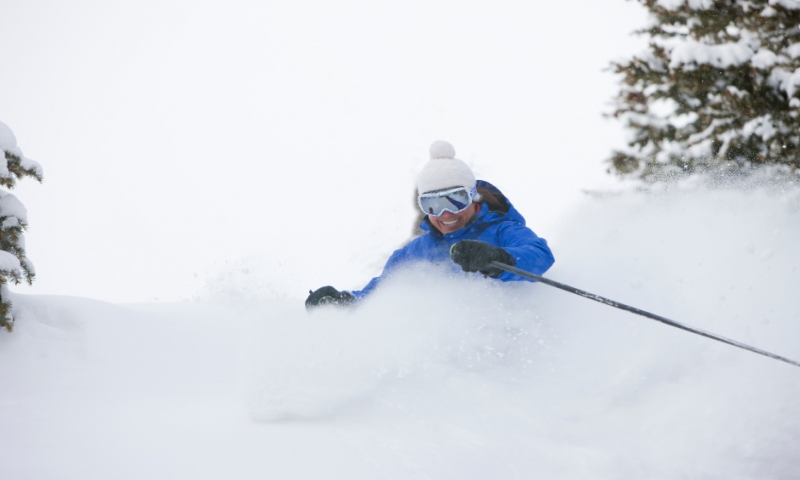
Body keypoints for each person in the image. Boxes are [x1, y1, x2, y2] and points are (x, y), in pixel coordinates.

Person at [305, 140, 555, 308]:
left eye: (455, 200)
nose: (445, 214)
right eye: (433, 205)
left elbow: (540, 256)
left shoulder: (502, 229)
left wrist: (498, 258)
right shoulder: (415, 253)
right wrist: (344, 302)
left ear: (473, 198)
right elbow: (381, 297)